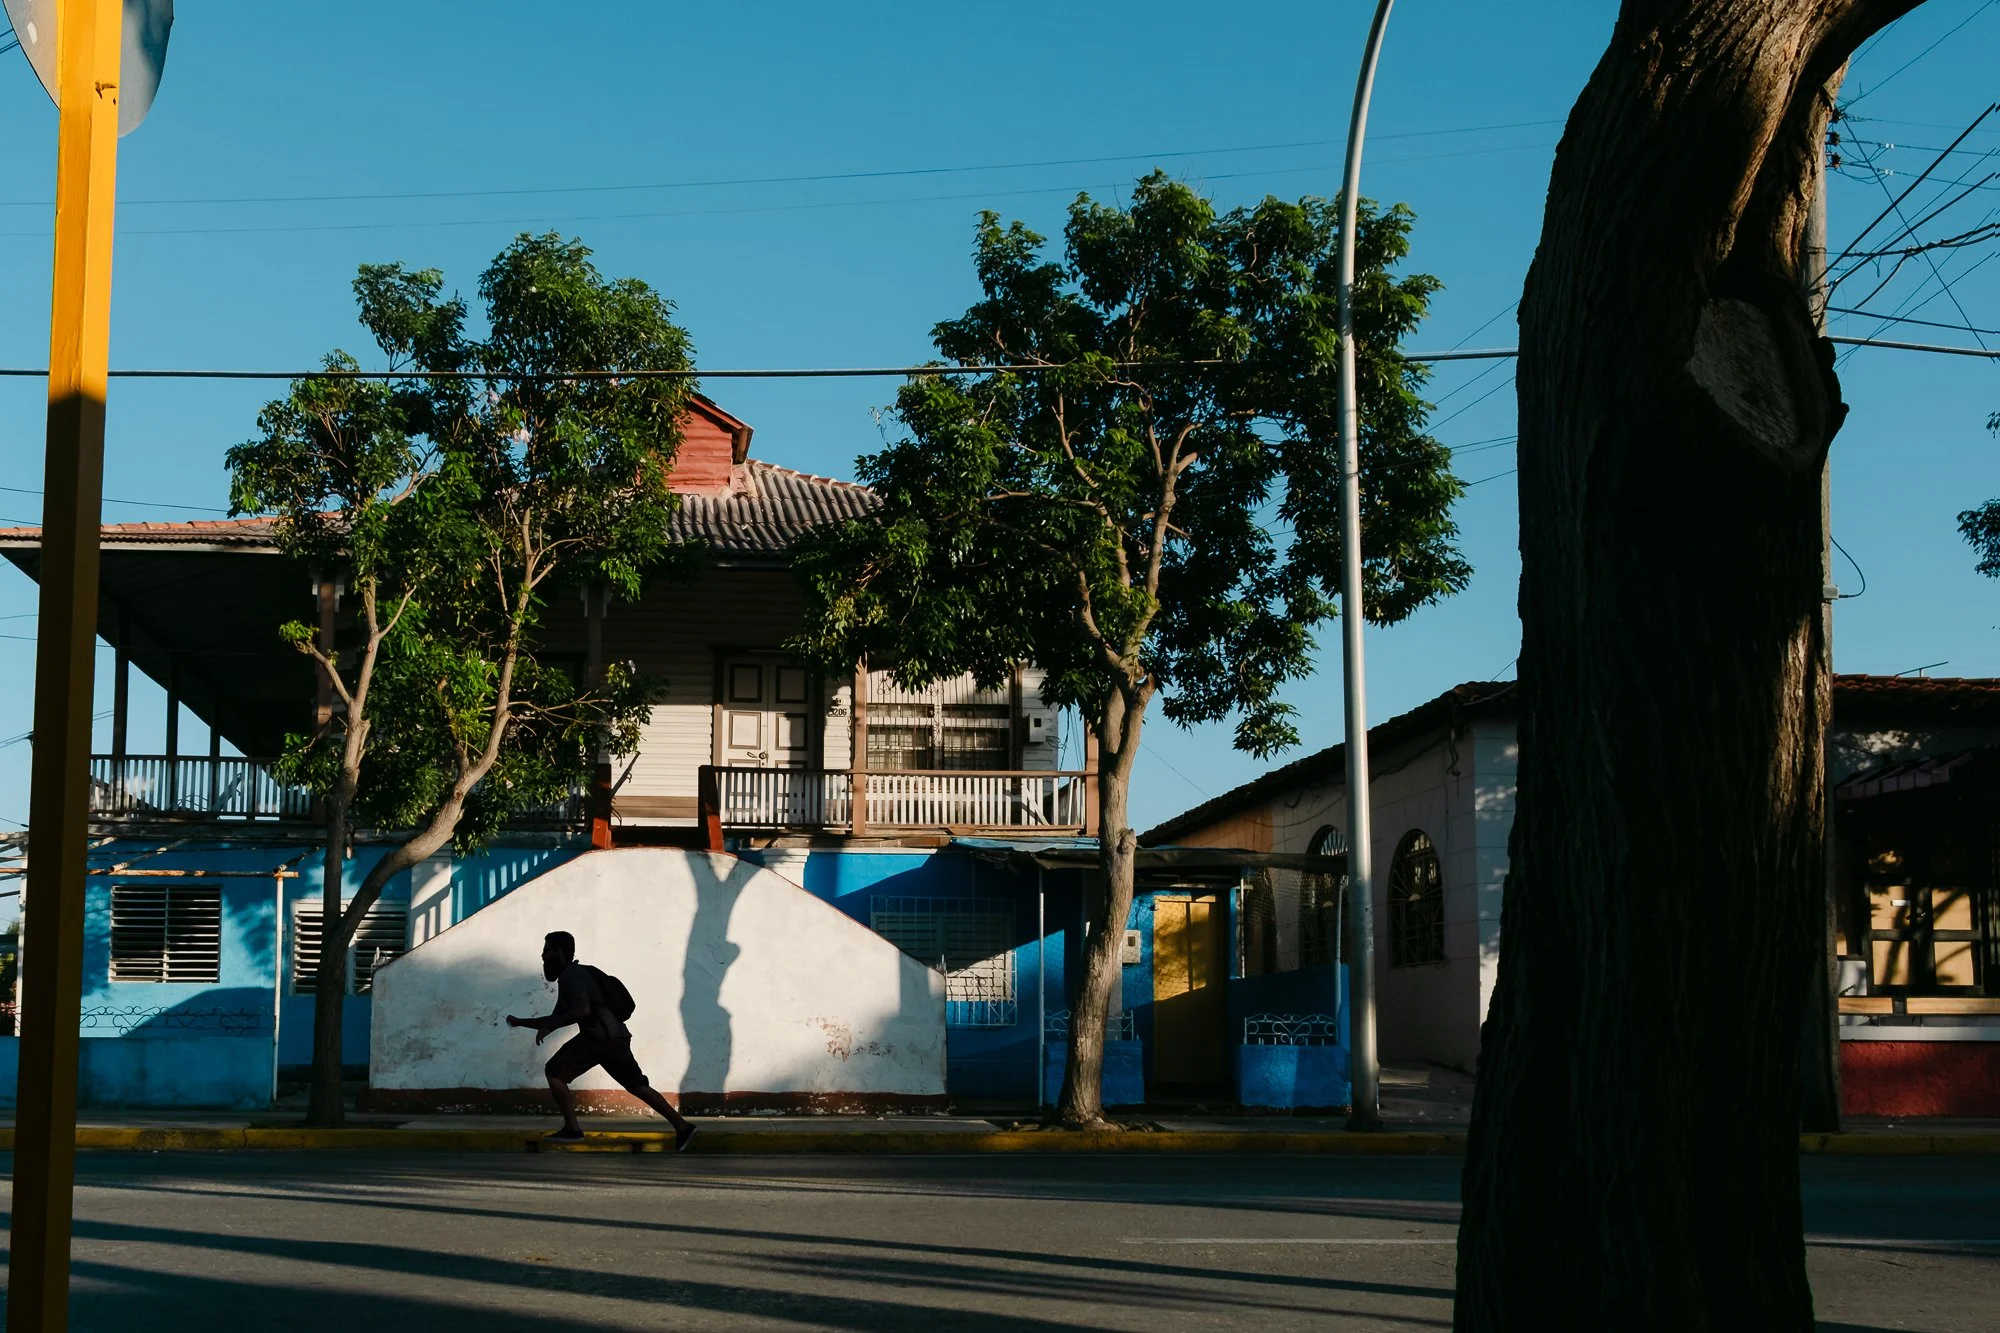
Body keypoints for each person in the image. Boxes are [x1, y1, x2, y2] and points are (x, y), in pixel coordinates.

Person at [506, 930, 698, 1150]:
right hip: (616, 1037)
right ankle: (683, 1127)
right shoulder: (579, 974)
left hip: (597, 1038)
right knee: (637, 1085)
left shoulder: (571, 976)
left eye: (546, 951)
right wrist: (521, 1022)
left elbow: (581, 1009)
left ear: (559, 952)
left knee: (554, 1072)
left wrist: (551, 1027)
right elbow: (557, 1017)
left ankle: (572, 1129)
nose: (543, 956)